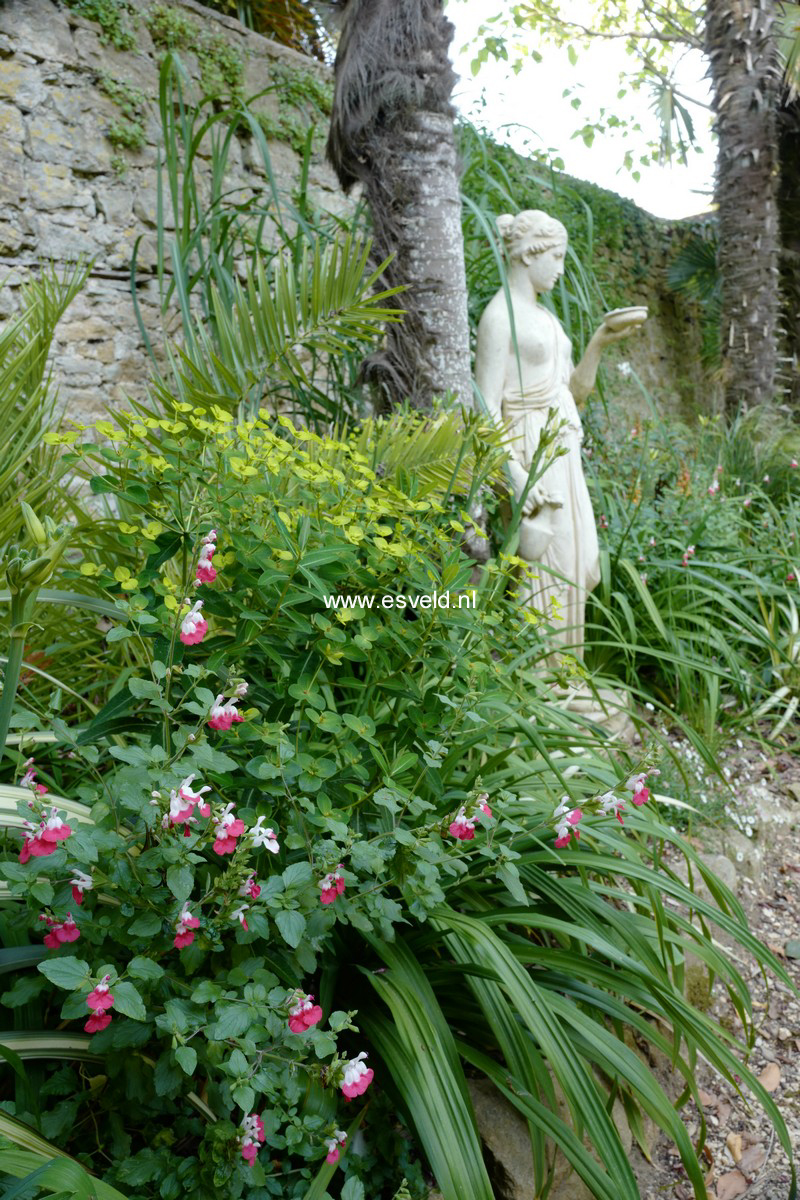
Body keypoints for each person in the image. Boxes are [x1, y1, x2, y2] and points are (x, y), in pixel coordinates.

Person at [475, 209, 646, 649]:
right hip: (531, 448)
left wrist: (597, 343)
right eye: (557, 256)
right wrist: (513, 472)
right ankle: (540, 674)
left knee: (580, 558)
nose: (562, 268)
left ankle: (567, 669)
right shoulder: (500, 317)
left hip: (563, 448)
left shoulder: (547, 319)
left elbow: (576, 391)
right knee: (545, 561)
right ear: (529, 255)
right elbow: (485, 405)